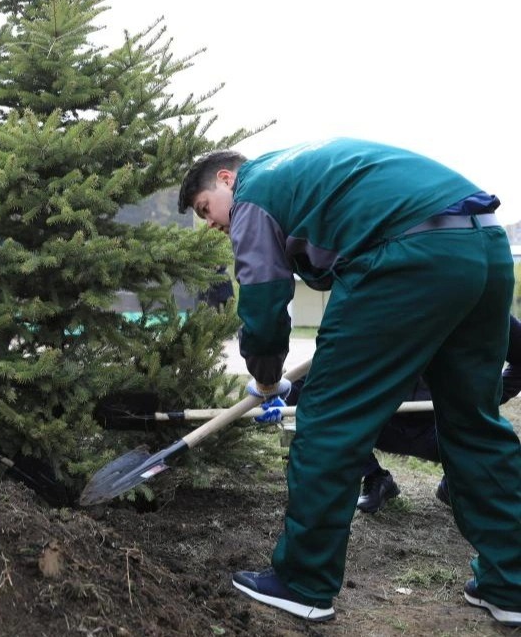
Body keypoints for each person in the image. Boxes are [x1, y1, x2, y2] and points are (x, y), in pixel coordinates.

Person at [179, 138, 521, 626]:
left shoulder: (254, 193)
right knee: (473, 422)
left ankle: (303, 582)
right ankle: (511, 585)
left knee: (328, 424)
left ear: (227, 179)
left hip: (407, 256)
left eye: (205, 208)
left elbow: (263, 298)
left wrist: (266, 376)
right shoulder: (305, 172)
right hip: (483, 247)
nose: (212, 223)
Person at [263, 313, 521, 514]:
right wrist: (282, 399)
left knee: (499, 451)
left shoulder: (474, 296)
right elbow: (326, 369)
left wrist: (487, 399)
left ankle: (458, 482)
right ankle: (374, 476)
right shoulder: (384, 299)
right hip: (380, 422)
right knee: (331, 416)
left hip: (443, 425)